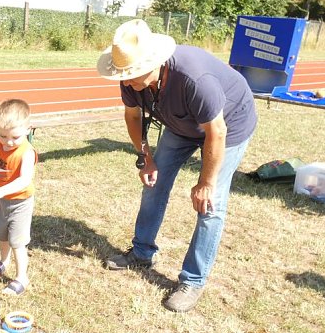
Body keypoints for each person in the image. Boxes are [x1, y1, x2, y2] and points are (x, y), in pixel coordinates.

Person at [96, 19, 257, 313]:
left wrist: (206, 183)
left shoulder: (194, 78)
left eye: (132, 74)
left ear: (153, 62)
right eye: (123, 74)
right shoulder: (132, 81)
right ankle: (142, 251)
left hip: (228, 125)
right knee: (153, 184)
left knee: (210, 204)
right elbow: (132, 117)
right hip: (181, 123)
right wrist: (146, 156)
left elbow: (216, 132)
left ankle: (193, 280)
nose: (126, 81)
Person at [0, 99, 38, 296]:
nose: (8, 142)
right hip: (2, 200)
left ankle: (22, 276)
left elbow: (24, 180)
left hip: (20, 202)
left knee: (17, 240)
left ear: (28, 129)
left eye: (14, 136)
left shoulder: (26, 153)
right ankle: (3, 261)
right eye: (2, 135)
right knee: (1, 233)